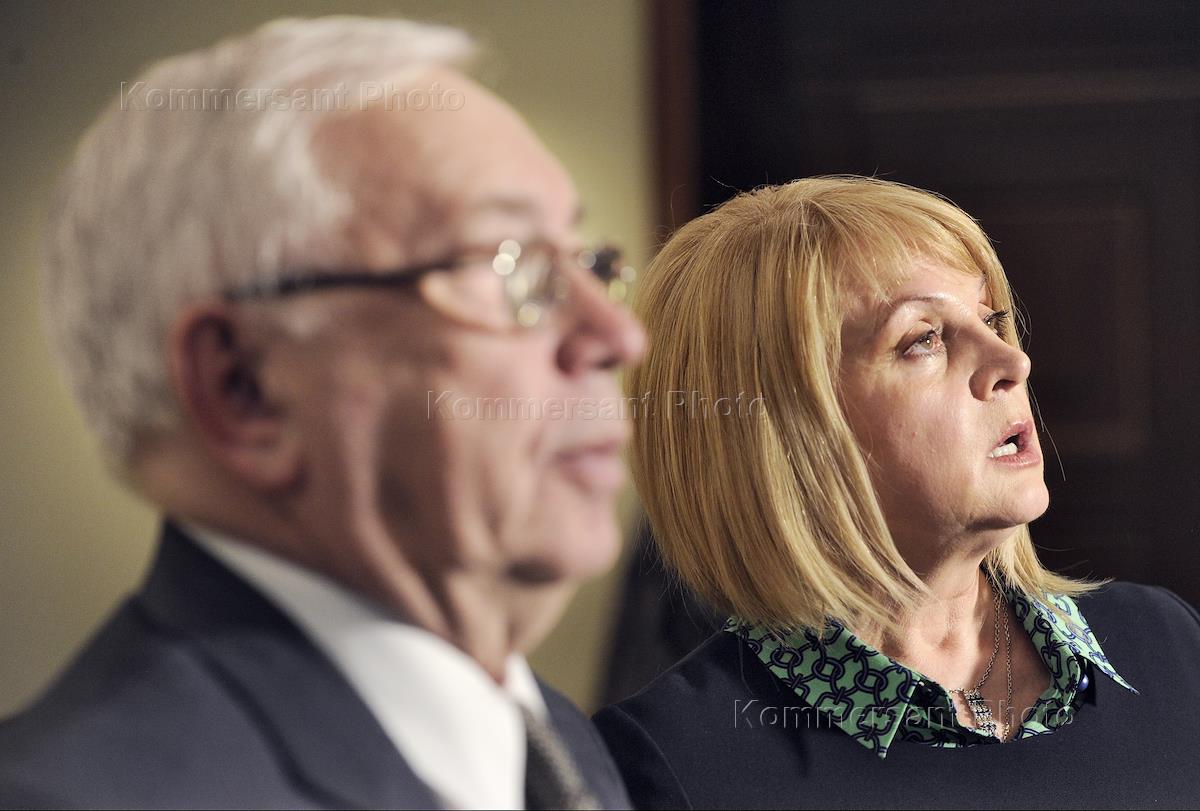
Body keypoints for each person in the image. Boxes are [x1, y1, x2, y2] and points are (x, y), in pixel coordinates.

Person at [0, 16, 643, 810]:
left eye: (588, 263)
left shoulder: (557, 744)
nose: (618, 335)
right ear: (245, 387)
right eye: (510, 265)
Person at [593, 176, 1200, 809]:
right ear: (782, 432)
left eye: (991, 319)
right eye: (923, 340)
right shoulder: (668, 764)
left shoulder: (1167, 645)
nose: (1011, 362)